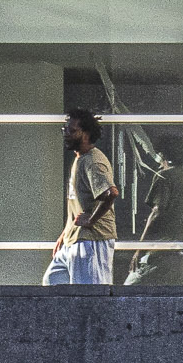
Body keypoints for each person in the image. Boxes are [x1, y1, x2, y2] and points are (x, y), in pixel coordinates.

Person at [46, 109, 119, 285]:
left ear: (85, 134)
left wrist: (91, 220)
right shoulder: (80, 159)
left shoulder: (93, 161)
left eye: (71, 131)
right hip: (75, 238)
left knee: (89, 298)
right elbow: (76, 206)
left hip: (92, 240)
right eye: (65, 130)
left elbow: (111, 193)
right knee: (52, 281)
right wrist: (64, 235)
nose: (66, 134)